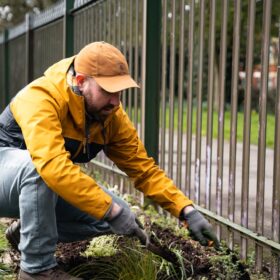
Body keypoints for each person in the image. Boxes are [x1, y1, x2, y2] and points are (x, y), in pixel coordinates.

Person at [0, 41, 218, 280]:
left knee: (115, 216)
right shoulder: (42, 97)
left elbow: (143, 169)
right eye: (107, 91)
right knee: (42, 170)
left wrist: (186, 210)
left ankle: (25, 234)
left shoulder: (110, 115)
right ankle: (36, 269)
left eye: (119, 91)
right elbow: (52, 166)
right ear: (81, 81)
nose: (115, 101)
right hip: (7, 172)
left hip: (39, 187)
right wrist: (110, 210)